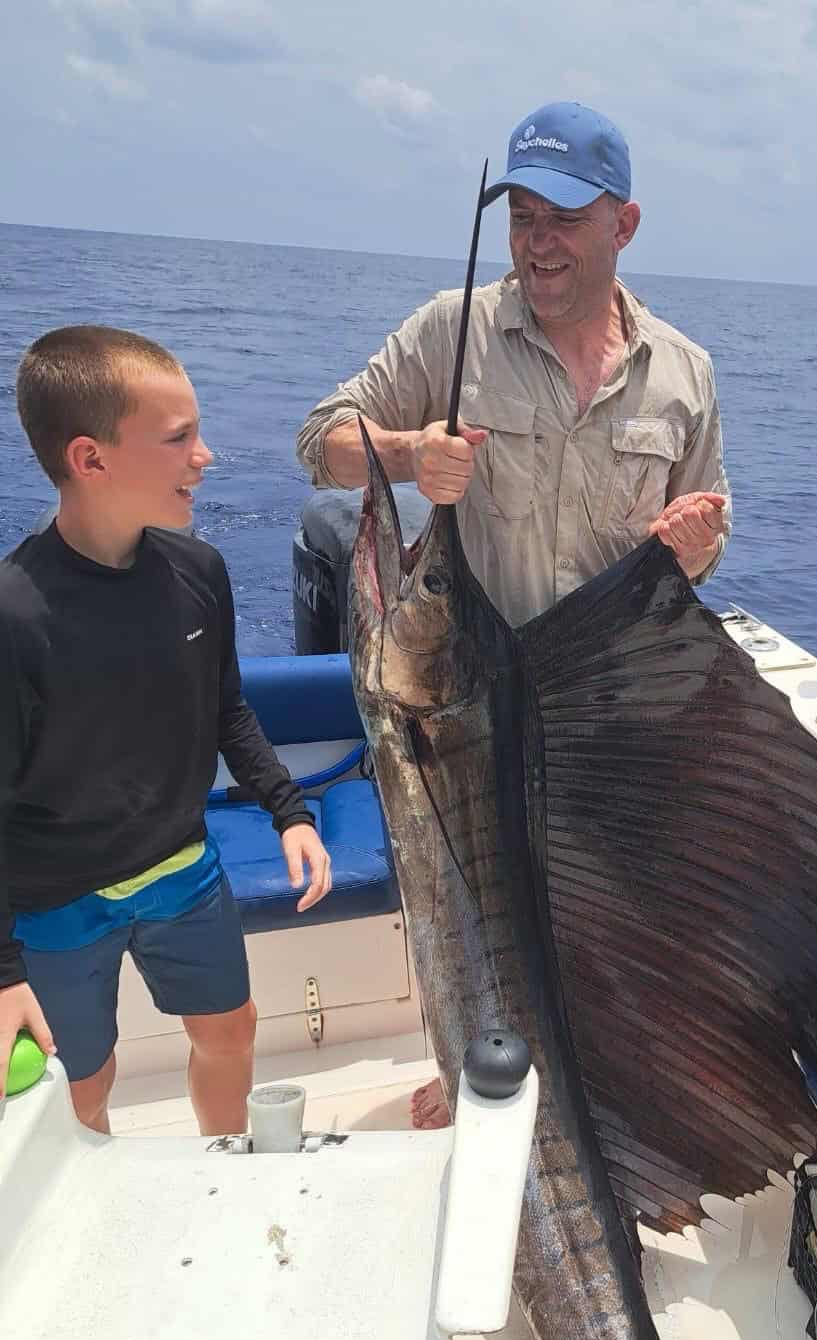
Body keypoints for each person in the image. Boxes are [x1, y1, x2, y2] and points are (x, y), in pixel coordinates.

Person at [297, 100, 730, 1126]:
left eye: (564, 219)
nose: (538, 243)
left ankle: (595, 1102)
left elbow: (705, 530)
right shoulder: (451, 331)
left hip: (611, 715)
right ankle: (468, 1066)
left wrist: (696, 550)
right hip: (475, 715)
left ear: (623, 224)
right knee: (473, 917)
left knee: (601, 922)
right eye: (522, 217)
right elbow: (322, 442)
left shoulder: (683, 372)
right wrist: (408, 453)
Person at [0, 325, 332, 1135]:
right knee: (82, 1084)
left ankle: (226, 1166)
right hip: (53, 901)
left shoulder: (199, 571)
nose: (204, 456)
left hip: (182, 866)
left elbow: (227, 710)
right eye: (180, 438)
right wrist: (6, 975)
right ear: (90, 459)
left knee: (232, 1030)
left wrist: (288, 811)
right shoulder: (14, 616)